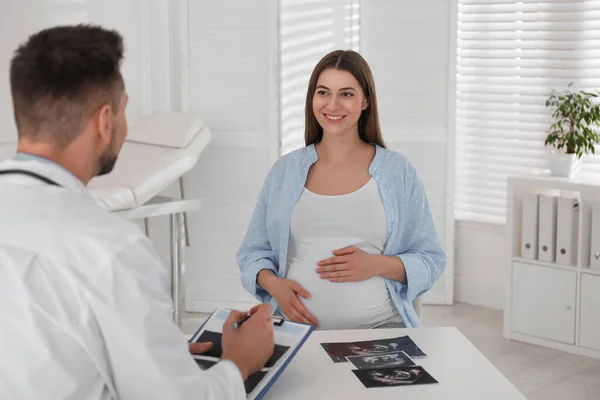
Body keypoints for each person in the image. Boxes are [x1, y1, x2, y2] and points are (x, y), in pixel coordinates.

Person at [0, 25, 274, 400]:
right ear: (105, 120)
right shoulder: (110, 248)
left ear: (18, 109)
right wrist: (239, 364)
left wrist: (159, 355)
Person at [237, 50, 446, 330]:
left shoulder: (397, 171)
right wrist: (274, 285)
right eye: (323, 92)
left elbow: (430, 258)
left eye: (346, 94)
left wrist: (375, 265)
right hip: (295, 330)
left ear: (366, 101)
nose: (332, 104)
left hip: (381, 328)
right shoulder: (285, 171)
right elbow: (252, 252)